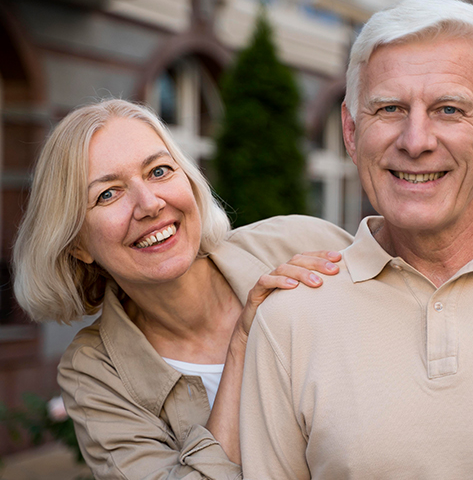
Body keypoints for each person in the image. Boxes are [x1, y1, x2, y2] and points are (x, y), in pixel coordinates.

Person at [240, 0, 473, 479]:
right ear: (351, 133)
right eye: (390, 108)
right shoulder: (290, 318)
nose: (416, 141)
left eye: (449, 109)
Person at [12, 99, 353, 479]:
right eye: (108, 194)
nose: (149, 204)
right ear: (77, 244)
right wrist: (243, 345)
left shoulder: (302, 241)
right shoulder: (94, 373)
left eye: (159, 171)